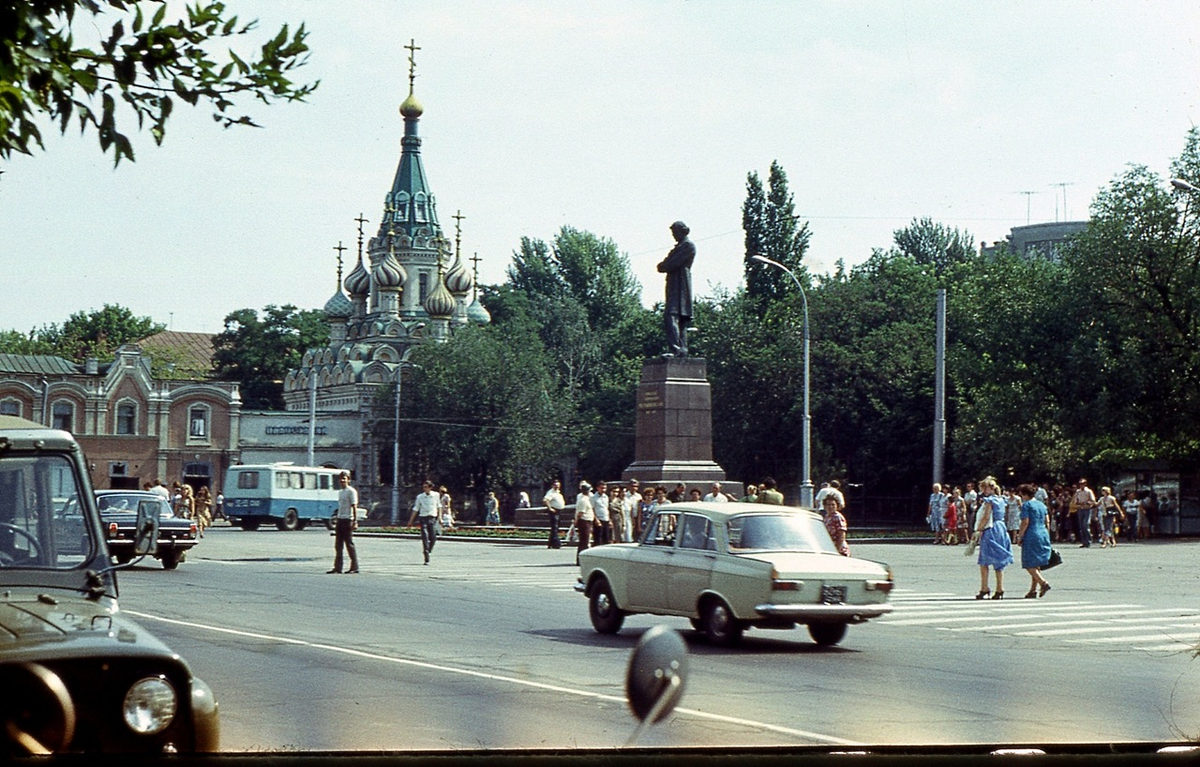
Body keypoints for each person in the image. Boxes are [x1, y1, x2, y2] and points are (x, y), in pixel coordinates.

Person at [657, 220, 695, 357]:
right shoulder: (679, 246)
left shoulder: (687, 246)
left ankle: (677, 348)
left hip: (681, 285)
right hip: (675, 284)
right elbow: (663, 265)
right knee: (678, 318)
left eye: (675, 232)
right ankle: (681, 350)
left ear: (683, 231)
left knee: (671, 316)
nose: (674, 235)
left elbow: (668, 264)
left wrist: (665, 264)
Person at [974, 476, 1014, 599]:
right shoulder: (1001, 500)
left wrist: (978, 530)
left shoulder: (989, 501)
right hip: (1001, 528)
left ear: (989, 488)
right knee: (999, 559)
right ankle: (1000, 588)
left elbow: (986, 517)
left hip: (991, 528)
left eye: (984, 488)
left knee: (984, 560)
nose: (983, 491)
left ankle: (984, 587)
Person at [1015, 483, 1053, 598]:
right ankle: (1033, 590)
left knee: (1028, 563)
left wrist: (1020, 536)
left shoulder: (1026, 505)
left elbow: (1025, 521)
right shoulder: (1041, 505)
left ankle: (1043, 583)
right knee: (1036, 563)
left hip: (1031, 533)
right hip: (1043, 533)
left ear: (1024, 494)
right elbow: (1047, 521)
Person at [327, 472, 359, 574]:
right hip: (340, 519)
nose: (342, 481)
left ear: (348, 480)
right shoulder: (341, 492)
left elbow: (354, 506)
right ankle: (338, 567)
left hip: (347, 520)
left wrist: (355, 521)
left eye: (344, 478)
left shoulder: (351, 491)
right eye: (340, 479)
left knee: (349, 544)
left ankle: (354, 566)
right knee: (338, 545)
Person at [408, 481, 440, 565]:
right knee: (425, 537)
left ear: (430, 487)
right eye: (424, 487)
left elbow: (438, 506)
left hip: (432, 518)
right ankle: (426, 555)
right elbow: (416, 508)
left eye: (426, 487)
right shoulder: (420, 497)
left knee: (433, 537)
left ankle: (428, 550)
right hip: (423, 519)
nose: (424, 489)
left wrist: (439, 518)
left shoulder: (436, 495)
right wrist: (411, 521)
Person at [573, 481, 594, 565]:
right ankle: (580, 560)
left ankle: (582, 559)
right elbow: (580, 513)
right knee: (584, 542)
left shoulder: (586, 499)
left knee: (585, 541)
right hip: (584, 521)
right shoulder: (583, 500)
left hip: (587, 521)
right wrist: (576, 522)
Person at [542, 479, 565, 549]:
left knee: (555, 527)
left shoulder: (557, 493)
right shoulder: (551, 492)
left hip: (558, 511)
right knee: (555, 527)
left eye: (558, 486)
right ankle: (556, 543)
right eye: (556, 486)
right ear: (552, 486)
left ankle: (551, 543)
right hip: (554, 511)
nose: (557, 487)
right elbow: (545, 500)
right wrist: (550, 508)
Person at [1073, 479, 1096, 548]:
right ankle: (1083, 542)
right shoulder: (1078, 492)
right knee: (1081, 526)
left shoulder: (1089, 491)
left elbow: (1093, 500)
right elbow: (1075, 501)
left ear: (1085, 484)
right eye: (1080, 484)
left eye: (1082, 484)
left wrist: (1086, 503)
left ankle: (1089, 541)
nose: (1081, 485)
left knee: (1085, 525)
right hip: (1080, 509)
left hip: (1087, 509)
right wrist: (1080, 504)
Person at [592, 481, 612, 545]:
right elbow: (592, 509)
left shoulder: (606, 497)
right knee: (598, 539)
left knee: (606, 538)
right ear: (597, 488)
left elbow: (607, 508)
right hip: (598, 519)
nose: (603, 490)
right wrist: (596, 519)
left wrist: (609, 519)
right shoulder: (593, 497)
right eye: (602, 488)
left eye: (605, 488)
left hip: (606, 518)